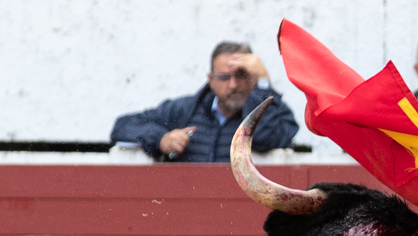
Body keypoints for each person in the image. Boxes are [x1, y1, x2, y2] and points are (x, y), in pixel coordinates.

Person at [110, 42, 299, 162]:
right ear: (211, 80)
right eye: (224, 77)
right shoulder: (184, 110)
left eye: (241, 75)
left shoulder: (275, 112)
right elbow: (121, 126)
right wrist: (161, 139)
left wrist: (264, 85)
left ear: (252, 78)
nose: (233, 84)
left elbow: (263, 139)